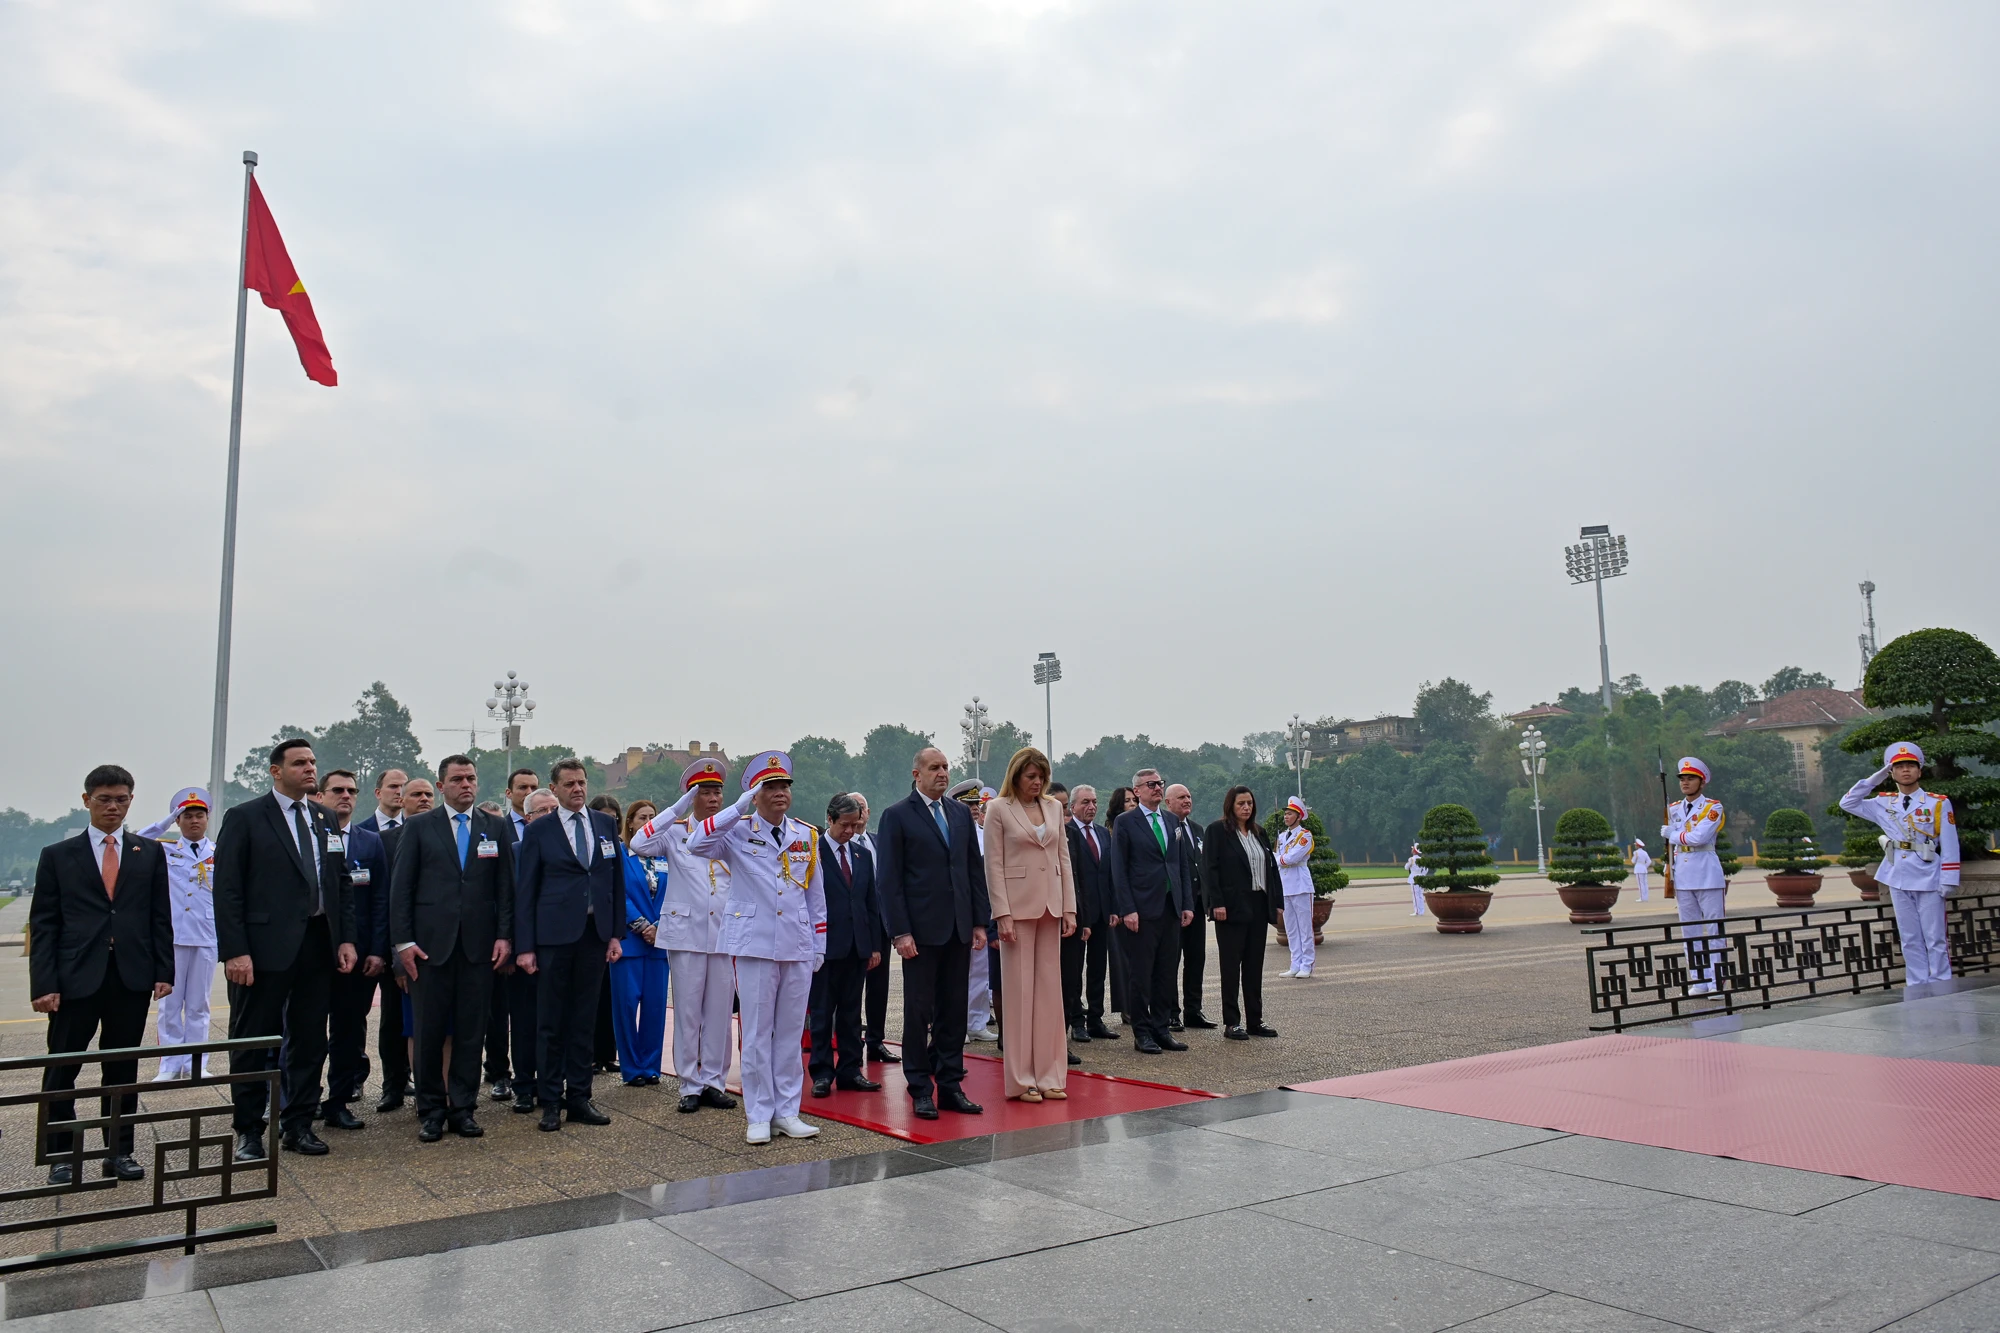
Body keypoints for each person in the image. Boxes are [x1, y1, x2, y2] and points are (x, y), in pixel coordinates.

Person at [213, 739, 358, 1161]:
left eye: (312, 762)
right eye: (299, 763)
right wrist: (235, 951)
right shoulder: (245, 817)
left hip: (317, 944)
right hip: (261, 950)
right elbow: (227, 890)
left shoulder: (324, 817)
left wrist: (345, 938)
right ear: (276, 771)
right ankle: (249, 1130)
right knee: (253, 1040)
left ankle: (298, 1123)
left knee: (310, 1039)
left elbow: (340, 882)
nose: (310, 769)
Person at [29, 764, 174, 1183]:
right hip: (75, 978)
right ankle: (61, 1155)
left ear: (131, 800)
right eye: (104, 798)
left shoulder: (148, 852)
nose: (113, 806)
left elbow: (159, 917)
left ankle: (119, 1151)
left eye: (122, 799)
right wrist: (45, 984)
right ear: (86, 800)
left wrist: (164, 970)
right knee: (63, 1066)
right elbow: (45, 924)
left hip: (130, 977)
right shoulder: (58, 856)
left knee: (122, 1067)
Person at [687, 751, 827, 1145]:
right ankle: (759, 1113)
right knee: (757, 1032)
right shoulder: (736, 829)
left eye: (784, 786)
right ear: (755, 792)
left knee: (789, 1033)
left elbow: (815, 897)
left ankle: (787, 1110)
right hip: (754, 944)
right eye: (771, 786)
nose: (781, 793)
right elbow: (697, 843)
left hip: (797, 942)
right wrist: (737, 807)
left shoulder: (806, 834)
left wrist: (820, 943)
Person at [389, 754, 513, 1142]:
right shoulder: (420, 827)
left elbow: (505, 887)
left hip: (478, 948)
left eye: (471, 778)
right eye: (457, 779)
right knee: (427, 1031)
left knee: (471, 1031)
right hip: (429, 949)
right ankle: (431, 1110)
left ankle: (463, 1107)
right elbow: (401, 889)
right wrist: (403, 943)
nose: (466, 785)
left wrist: (504, 935)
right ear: (441, 786)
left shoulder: (494, 826)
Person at [876, 747, 990, 1120]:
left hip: (958, 929)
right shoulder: (897, 816)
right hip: (920, 934)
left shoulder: (959, 813)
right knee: (919, 1011)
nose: (942, 773)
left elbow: (973, 871)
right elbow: (889, 881)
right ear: (917, 774)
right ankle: (920, 1088)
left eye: (945, 767)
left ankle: (951, 1085)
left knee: (953, 1011)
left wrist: (978, 921)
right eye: (934, 768)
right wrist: (900, 932)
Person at [514, 759, 623, 1132]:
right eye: (570, 784)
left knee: (583, 1020)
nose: (578, 789)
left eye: (582, 782)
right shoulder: (540, 830)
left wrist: (614, 934)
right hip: (553, 939)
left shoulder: (605, 824)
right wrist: (525, 946)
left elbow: (615, 882)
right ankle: (549, 1101)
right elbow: (525, 891)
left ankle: (580, 1097)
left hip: (594, 936)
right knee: (551, 1022)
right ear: (555, 788)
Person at [631, 758, 741, 1115]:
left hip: (723, 933)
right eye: (704, 792)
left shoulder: (732, 830)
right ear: (691, 796)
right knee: (689, 1012)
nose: (712, 798)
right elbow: (639, 843)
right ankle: (689, 1085)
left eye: (716, 791)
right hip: (686, 933)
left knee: (720, 1013)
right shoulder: (676, 832)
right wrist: (675, 809)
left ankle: (713, 1081)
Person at [983, 748, 1077, 1101]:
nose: (1036, 783)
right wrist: (1001, 913)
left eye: (1041, 777)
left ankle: (1051, 1075)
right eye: (1030, 777)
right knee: (1020, 994)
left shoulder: (1054, 808)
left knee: (1051, 994)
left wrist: (1070, 908)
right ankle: (1022, 1079)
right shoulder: (997, 808)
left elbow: (1062, 860)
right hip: (1017, 911)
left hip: (1052, 907)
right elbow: (993, 864)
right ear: (1016, 776)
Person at [1842, 741, 1961, 985]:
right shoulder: (1883, 803)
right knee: (1908, 936)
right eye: (1899, 766)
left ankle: (1940, 980)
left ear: (1920, 771)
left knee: (1935, 935)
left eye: (1910, 766)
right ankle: (1916, 982)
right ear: (1891, 772)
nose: (1905, 770)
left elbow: (1950, 843)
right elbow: (1848, 803)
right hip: (1897, 874)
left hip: (1928, 874)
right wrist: (1873, 781)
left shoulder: (1937, 803)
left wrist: (1949, 878)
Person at [312, 770, 390, 1131]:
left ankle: (339, 1101)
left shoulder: (369, 841)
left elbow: (379, 902)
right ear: (322, 795)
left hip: (358, 956)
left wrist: (376, 949)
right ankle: (303, 1100)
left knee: (347, 1031)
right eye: (338, 790)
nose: (345, 796)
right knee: (306, 1032)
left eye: (352, 791)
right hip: (312, 952)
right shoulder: (308, 836)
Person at [1107, 767, 1194, 1054]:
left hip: (1170, 908)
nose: (1158, 788)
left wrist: (1186, 904)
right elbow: (1119, 869)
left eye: (1160, 783)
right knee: (1141, 974)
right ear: (1138, 791)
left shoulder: (1171, 820)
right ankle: (1141, 1032)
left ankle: (1161, 1029)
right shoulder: (1126, 822)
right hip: (1142, 910)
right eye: (1152, 784)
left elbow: (1180, 864)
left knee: (1166, 973)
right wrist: (1127, 908)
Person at [137, 786, 217, 1080]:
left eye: (199, 815)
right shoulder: (165, 848)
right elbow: (134, 841)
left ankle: (196, 1064)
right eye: (186, 816)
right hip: (171, 938)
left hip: (206, 936)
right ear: (178, 821)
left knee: (199, 1005)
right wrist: (164, 822)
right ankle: (169, 1065)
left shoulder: (217, 853)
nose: (193, 821)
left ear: (207, 819)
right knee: (170, 1006)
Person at [809, 793, 884, 1097]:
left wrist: (874, 946)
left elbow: (870, 904)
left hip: (856, 947)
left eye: (855, 825)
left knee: (853, 1014)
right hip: (825, 947)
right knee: (822, 1013)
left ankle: (851, 1070)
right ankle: (822, 1072)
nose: (850, 831)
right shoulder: (813, 853)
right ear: (830, 819)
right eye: (845, 825)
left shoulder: (861, 855)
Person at [1202, 786, 1282, 1040]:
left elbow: (1272, 869)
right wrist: (1217, 903)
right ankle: (1232, 1022)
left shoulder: (1260, 833)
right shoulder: (1218, 831)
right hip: (1231, 906)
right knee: (1230, 965)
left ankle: (1255, 1020)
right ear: (1231, 806)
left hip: (1258, 904)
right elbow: (1210, 870)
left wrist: (1276, 903)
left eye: (1249, 803)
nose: (1246, 808)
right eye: (1241, 804)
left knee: (1254, 965)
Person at [376, 776, 433, 1112]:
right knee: (394, 1022)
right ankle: (393, 1084)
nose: (423, 799)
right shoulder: (385, 841)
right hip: (399, 951)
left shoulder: (441, 835)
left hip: (433, 949)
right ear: (402, 799)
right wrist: (397, 956)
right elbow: (390, 901)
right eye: (416, 794)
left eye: (428, 794)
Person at [486, 767, 541, 1104]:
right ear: (509, 793)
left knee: (531, 1015)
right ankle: (498, 1074)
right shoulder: (497, 829)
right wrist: (504, 938)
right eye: (521, 787)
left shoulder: (550, 829)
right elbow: (494, 890)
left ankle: (536, 1076)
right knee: (498, 1015)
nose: (526, 791)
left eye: (533, 786)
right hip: (504, 941)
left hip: (540, 940)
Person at [613, 800, 669, 1087]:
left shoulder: (664, 855)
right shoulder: (621, 854)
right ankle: (632, 1068)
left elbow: (676, 893)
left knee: (656, 1007)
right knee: (625, 1006)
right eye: (642, 817)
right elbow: (616, 893)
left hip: (660, 944)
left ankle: (651, 1066)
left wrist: (660, 926)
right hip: (629, 944)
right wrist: (642, 925)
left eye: (653, 817)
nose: (648, 822)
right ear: (630, 822)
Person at [1662, 756, 1727, 995]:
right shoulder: (1674, 808)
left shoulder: (1712, 807)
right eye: (1682, 779)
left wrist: (1672, 834)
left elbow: (1698, 838)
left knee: (1714, 928)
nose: (1685, 783)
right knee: (1689, 930)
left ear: (1702, 782)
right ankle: (1699, 979)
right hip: (1683, 874)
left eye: (1691, 779)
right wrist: (1669, 864)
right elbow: (1673, 844)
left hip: (1707, 872)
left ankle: (1716, 981)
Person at [1064, 785, 1115, 1042]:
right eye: (1085, 802)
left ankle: (1096, 1018)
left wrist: (1114, 909)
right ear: (1072, 806)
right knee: (1074, 972)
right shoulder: (1067, 833)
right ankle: (1077, 1021)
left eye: (1094, 801)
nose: (1091, 806)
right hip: (1078, 914)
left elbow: (1109, 875)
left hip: (1102, 913)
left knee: (1098, 969)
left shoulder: (1103, 835)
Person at [952, 780, 999, 1044]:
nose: (972, 810)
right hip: (959, 912)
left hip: (983, 911)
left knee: (981, 972)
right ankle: (956, 1024)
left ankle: (976, 1022)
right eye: (967, 804)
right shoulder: (951, 834)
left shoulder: (984, 834)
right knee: (958, 972)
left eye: (974, 805)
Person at [1165, 783, 1214, 1029]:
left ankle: (1194, 1011)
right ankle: (1172, 1012)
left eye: (1189, 796)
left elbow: (1203, 867)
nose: (1187, 800)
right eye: (1181, 797)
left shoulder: (1196, 829)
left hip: (1196, 906)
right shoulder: (1165, 828)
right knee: (1171, 961)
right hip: (1174, 907)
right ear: (1168, 802)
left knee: (1196, 960)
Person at [852, 792, 895, 1064]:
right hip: (853, 927)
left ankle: (876, 1041)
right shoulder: (832, 845)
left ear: (868, 813)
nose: (858, 813)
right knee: (852, 988)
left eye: (862, 808)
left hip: (880, 926)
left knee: (879, 987)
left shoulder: (879, 842)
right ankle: (851, 1041)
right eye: (853, 807)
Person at [587, 793, 624, 1074]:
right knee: (591, 997)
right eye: (604, 815)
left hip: (609, 928)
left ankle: (606, 1053)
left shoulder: (618, 846)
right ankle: (588, 1053)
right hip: (588, 928)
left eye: (614, 817)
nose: (609, 820)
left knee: (609, 997)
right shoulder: (589, 844)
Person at [1276, 797, 1316, 978]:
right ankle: (1295, 963)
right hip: (1285, 885)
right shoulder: (1282, 836)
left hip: (1300, 884)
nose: (1286, 816)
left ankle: (1307, 964)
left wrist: (1278, 859)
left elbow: (1290, 859)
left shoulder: (1305, 835)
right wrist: (1279, 860)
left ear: (1298, 817)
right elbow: (1280, 858)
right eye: (1285, 813)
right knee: (1291, 928)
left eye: (1290, 813)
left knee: (1305, 928)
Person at [355, 768, 408, 835]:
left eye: (403, 787)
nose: (399, 792)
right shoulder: (359, 832)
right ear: (378, 793)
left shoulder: (413, 830)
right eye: (393, 786)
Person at [1404, 843, 1426, 916]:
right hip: (1420, 876)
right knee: (1420, 894)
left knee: (1415, 895)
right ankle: (1421, 911)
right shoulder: (1421, 859)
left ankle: (1417, 911)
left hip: (1414, 877)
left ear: (1414, 851)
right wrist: (1422, 875)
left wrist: (1409, 863)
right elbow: (1426, 869)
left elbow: (1406, 868)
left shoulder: (1411, 859)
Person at [1631, 840, 1652, 904]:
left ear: (1637, 846)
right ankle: (1645, 897)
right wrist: (1644, 867)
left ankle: (1642, 898)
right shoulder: (1645, 852)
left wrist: (1635, 856)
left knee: (1641, 884)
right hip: (1644, 869)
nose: (1635, 846)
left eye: (1635, 845)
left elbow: (1633, 861)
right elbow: (1649, 861)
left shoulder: (1636, 852)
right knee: (1645, 884)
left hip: (1638, 869)